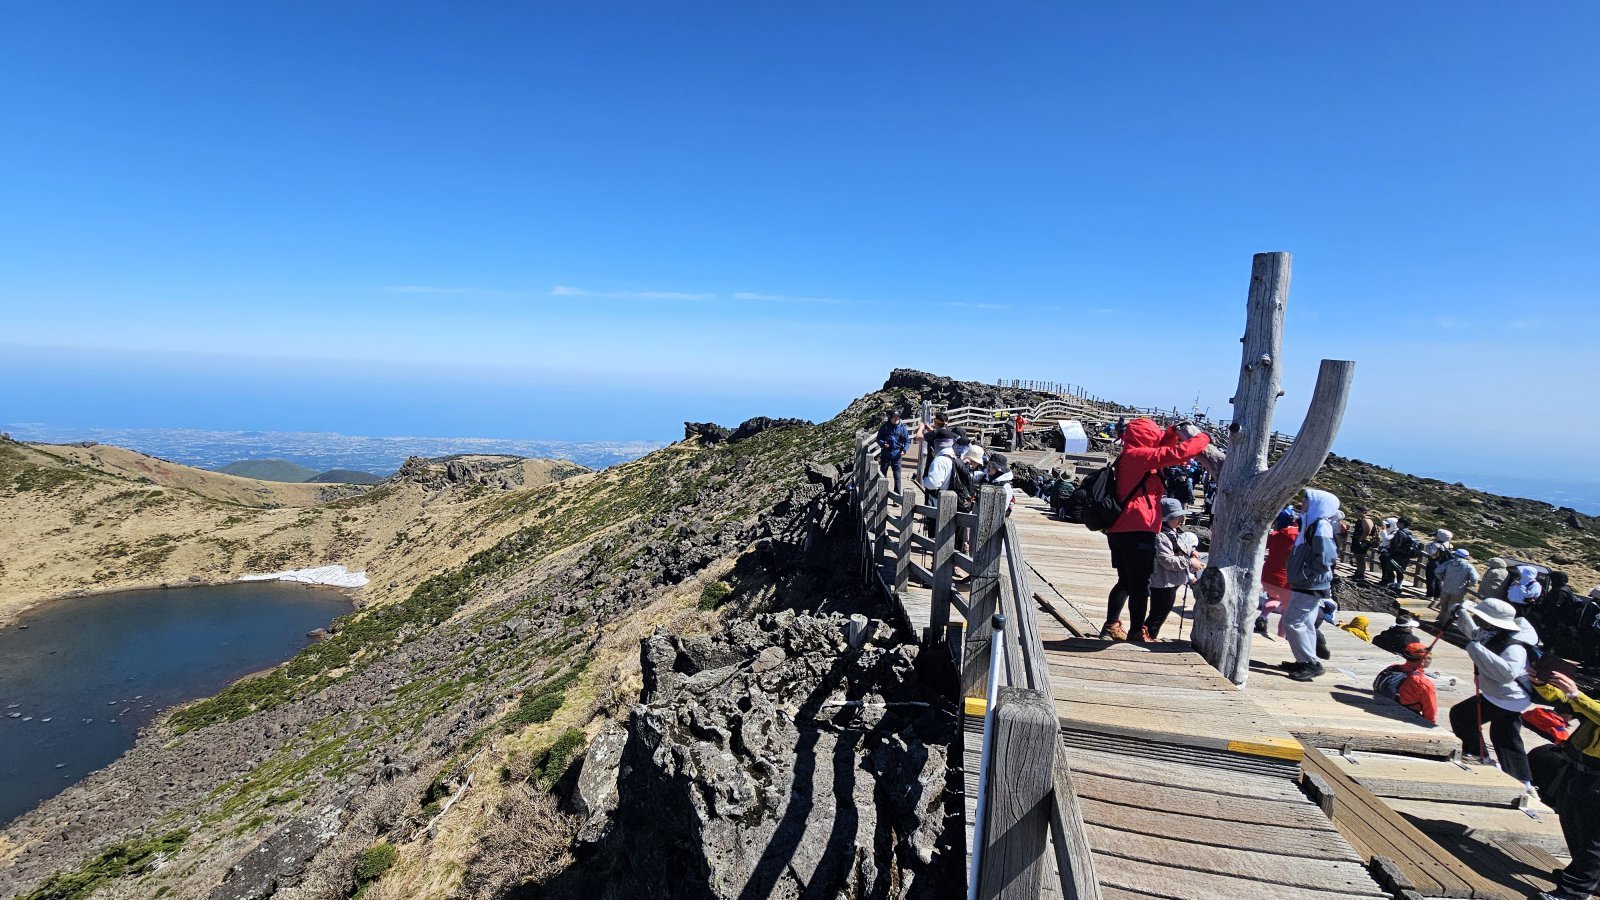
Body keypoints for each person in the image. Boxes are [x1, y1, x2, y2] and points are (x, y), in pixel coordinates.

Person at [1098, 418, 1212, 642]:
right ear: (1147, 436)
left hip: (1121, 528)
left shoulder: (1131, 454)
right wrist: (1204, 438)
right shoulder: (1138, 456)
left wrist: (1171, 433)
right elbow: (1176, 454)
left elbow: (1162, 450)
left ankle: (1111, 625)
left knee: (1126, 581)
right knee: (1140, 584)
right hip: (1136, 529)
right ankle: (1136, 632)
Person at [1449, 597, 1540, 787]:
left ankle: (1479, 755)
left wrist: (1477, 650)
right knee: (1505, 736)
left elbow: (1508, 673)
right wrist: (1461, 615)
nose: (1478, 620)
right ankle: (1523, 780)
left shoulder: (1514, 647)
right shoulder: (1496, 634)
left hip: (1506, 696)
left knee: (1461, 715)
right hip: (1508, 696)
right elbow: (1475, 634)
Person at [1527, 670, 1600, 900]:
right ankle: (1590, 879)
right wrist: (1543, 683)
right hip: (1582, 769)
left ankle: (1575, 893)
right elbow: (1567, 701)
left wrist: (1575, 695)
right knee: (1574, 824)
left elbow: (1581, 701)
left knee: (1593, 839)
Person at [1282, 489, 1341, 681]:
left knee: (1293, 621)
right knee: (1305, 622)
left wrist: (1307, 572)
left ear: (1318, 504)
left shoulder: (1320, 526)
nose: (1303, 502)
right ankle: (1305, 660)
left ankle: (1309, 663)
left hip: (1310, 583)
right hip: (1308, 582)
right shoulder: (1313, 523)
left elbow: (1326, 557)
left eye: (1307, 500)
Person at [1148, 497, 1204, 641]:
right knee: (1158, 615)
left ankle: (1148, 636)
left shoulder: (1171, 532)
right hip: (1163, 583)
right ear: (1166, 518)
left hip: (1171, 582)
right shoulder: (1160, 536)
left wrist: (1191, 551)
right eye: (1176, 517)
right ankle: (1146, 636)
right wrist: (1189, 561)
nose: (1180, 519)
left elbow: (1178, 547)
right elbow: (1167, 561)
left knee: (1161, 613)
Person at [1254, 509, 1299, 636]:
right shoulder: (1299, 539)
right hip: (1284, 580)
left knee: (1274, 597)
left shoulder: (1277, 534)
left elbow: (1264, 545)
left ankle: (1263, 616)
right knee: (1287, 611)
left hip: (1267, 576)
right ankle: (1281, 637)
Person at [1373, 641, 1439, 724]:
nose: (1430, 660)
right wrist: (1429, 724)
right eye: (1429, 658)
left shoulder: (1392, 668)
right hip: (1405, 716)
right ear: (1422, 660)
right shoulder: (1422, 682)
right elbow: (1430, 710)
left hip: (1381, 707)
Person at [1434, 549, 1481, 615]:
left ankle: (1441, 620)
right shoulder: (1469, 566)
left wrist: (1442, 579)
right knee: (1452, 610)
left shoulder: (1449, 563)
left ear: (1456, 555)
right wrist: (1468, 584)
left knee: (1443, 608)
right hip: (1458, 591)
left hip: (1445, 589)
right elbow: (1475, 579)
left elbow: (1437, 571)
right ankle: (1446, 621)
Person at [874, 411, 910, 494]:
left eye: (898, 417)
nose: (896, 419)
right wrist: (883, 443)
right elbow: (878, 439)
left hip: (897, 455)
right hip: (885, 454)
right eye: (894, 417)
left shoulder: (902, 428)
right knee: (883, 475)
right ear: (890, 418)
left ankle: (897, 495)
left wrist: (904, 450)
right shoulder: (884, 427)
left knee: (897, 477)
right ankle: (882, 493)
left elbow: (907, 440)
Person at [1381, 517, 1418, 591]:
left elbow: (1396, 545)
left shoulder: (1400, 532)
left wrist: (1389, 552)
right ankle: (1399, 585)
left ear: (1402, 524)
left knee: (1389, 569)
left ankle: (1392, 584)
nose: (1397, 524)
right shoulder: (1409, 532)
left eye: (1398, 522)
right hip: (1405, 555)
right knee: (1400, 571)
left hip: (1397, 555)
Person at [1422, 529, 1455, 600]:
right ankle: (1437, 596)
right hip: (1443, 565)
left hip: (1433, 564)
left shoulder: (1436, 545)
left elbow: (1431, 553)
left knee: (1431, 579)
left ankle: (1430, 595)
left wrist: (1428, 545)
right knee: (1439, 580)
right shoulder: (1450, 545)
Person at [1349, 506, 1376, 582]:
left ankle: (1361, 574)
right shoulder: (1361, 519)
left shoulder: (1366, 520)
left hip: (1363, 541)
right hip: (1358, 540)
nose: (1356, 513)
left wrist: (1360, 540)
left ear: (1363, 512)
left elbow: (1367, 532)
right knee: (1357, 557)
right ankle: (1358, 572)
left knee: (1360, 558)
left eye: (1357, 511)